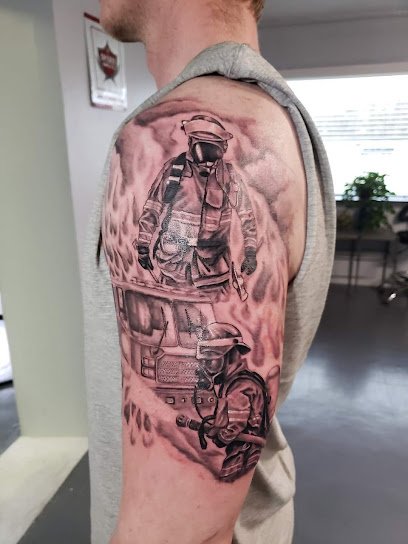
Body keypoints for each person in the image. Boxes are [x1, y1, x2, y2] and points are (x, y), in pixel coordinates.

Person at [82, 1, 335, 543]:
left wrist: (246, 258)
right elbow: (156, 210)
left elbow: (177, 535)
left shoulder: (204, 128)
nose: (204, 154)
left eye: (209, 147)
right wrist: (147, 246)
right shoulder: (218, 140)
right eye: (201, 146)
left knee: (204, 344)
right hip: (177, 270)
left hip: (213, 275)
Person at [135, 115, 257, 294]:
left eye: (213, 149)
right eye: (203, 148)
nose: (207, 158)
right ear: (191, 143)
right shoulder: (174, 171)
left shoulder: (229, 176)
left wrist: (251, 251)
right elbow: (152, 208)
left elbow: (247, 215)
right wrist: (143, 246)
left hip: (214, 272)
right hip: (173, 268)